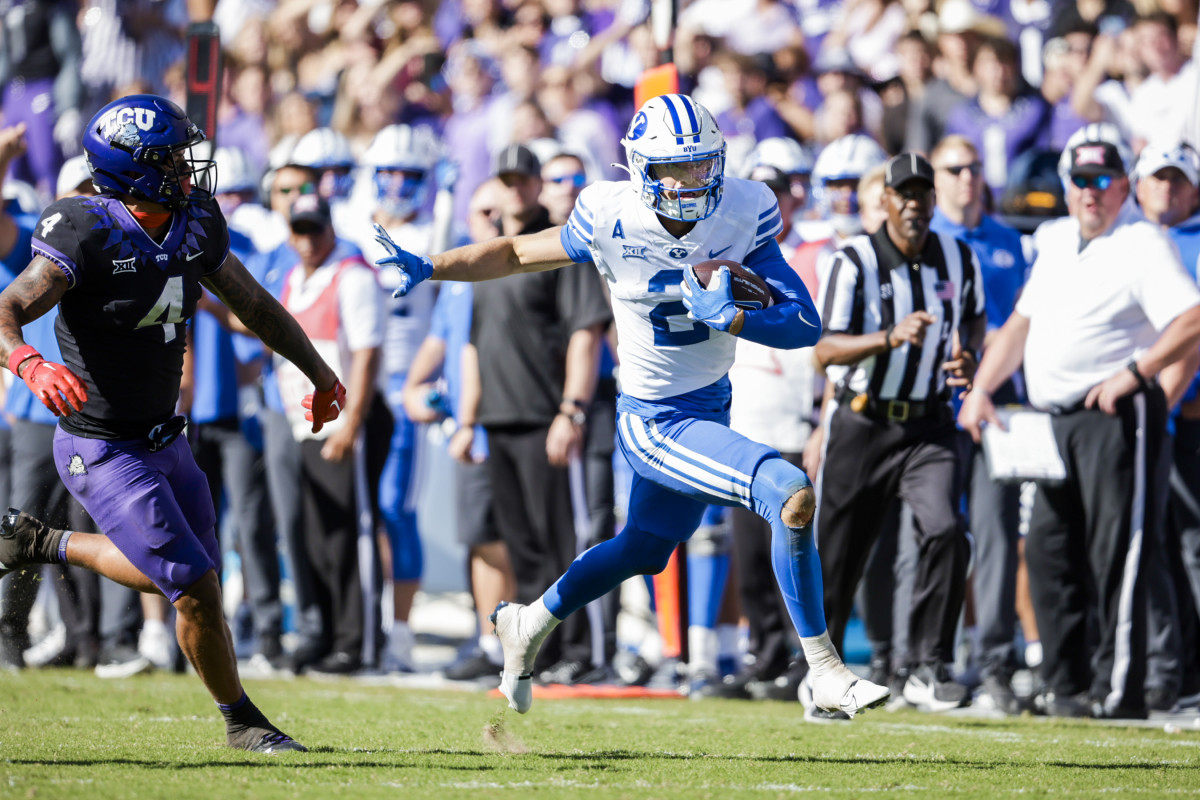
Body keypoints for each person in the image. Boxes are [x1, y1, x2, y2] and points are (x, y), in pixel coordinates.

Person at [374, 93, 890, 718]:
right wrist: (432, 265)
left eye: (700, 166)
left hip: (711, 404)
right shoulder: (609, 214)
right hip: (653, 418)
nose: (689, 181)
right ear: (641, 170)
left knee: (645, 548)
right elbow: (513, 253)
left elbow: (804, 323)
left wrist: (737, 316)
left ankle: (528, 623)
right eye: (673, 169)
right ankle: (825, 670)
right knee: (789, 492)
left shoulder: (744, 207)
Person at [0, 94, 346, 753]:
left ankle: (42, 543)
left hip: (168, 437)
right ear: (129, 169)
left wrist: (320, 373)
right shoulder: (83, 227)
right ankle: (243, 722)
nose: (187, 169)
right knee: (188, 585)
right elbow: (8, 306)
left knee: (202, 582)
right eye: (168, 159)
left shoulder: (194, 221)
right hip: (102, 445)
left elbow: (256, 305)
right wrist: (31, 365)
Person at [959, 124, 1200, 719]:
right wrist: (983, 388)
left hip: (1114, 412)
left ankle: (1119, 689)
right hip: (1051, 419)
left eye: (1102, 181)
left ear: (1123, 186)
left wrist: (1138, 375)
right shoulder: (1056, 237)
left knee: (1119, 552)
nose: (1090, 192)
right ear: (1067, 188)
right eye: (1080, 181)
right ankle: (1065, 686)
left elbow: (1192, 319)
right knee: (1046, 549)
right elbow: (1020, 323)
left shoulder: (1144, 242)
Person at [813, 152, 985, 716]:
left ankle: (927, 668)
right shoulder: (855, 261)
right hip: (863, 421)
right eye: (902, 194)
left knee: (947, 529)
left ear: (935, 201)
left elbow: (975, 318)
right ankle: (823, 676)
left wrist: (967, 355)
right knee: (838, 559)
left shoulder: (960, 257)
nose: (913, 204)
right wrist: (888, 338)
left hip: (928, 425)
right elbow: (825, 349)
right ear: (883, 201)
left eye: (922, 194)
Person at [448, 143, 609, 685]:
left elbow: (585, 334)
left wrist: (572, 410)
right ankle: (538, 652)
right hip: (499, 416)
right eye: (506, 179)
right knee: (521, 546)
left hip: (548, 416)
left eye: (524, 179)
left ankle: (580, 650)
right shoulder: (491, 251)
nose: (515, 189)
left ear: (539, 184)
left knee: (565, 541)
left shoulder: (562, 244)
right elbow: (474, 344)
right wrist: (468, 419)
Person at [928, 134, 1030, 714]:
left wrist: (986, 358)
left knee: (995, 537)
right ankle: (928, 662)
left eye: (974, 168)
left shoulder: (1009, 242)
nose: (968, 178)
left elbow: (1025, 322)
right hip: (937, 408)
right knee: (935, 536)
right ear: (937, 178)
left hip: (996, 408)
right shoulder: (923, 239)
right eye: (955, 168)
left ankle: (993, 663)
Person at [1132, 142, 1200, 710]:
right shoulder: (1129, 242)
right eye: (1158, 180)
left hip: (1181, 419)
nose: (1168, 190)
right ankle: (1165, 673)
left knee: (1190, 546)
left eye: (1178, 181)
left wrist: (1161, 404)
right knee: (1151, 546)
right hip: (1147, 417)